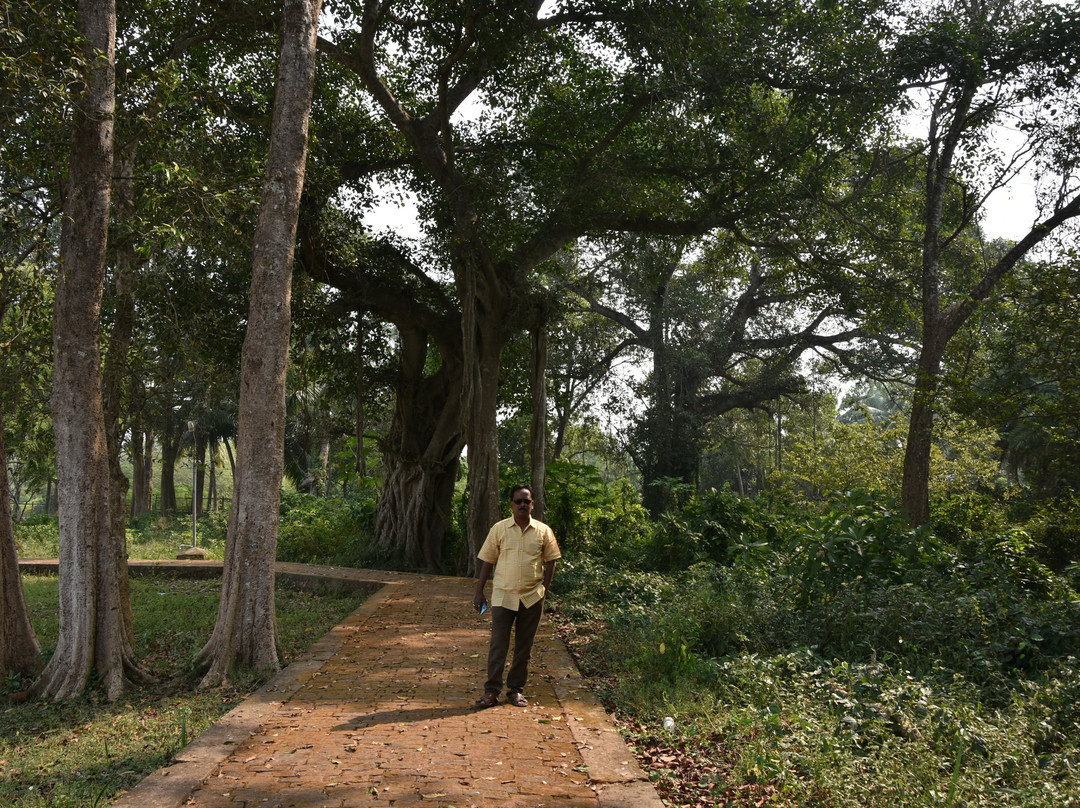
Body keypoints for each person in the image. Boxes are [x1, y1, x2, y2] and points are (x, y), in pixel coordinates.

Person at [472, 484, 560, 708]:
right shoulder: (499, 529)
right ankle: (491, 691)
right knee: (498, 645)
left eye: (526, 501)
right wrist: (479, 591)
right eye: (518, 501)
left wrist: (544, 589)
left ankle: (516, 690)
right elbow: (487, 561)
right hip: (503, 596)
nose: (522, 505)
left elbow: (552, 560)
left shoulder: (543, 531)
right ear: (511, 504)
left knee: (524, 647)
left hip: (532, 597)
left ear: (533, 504)